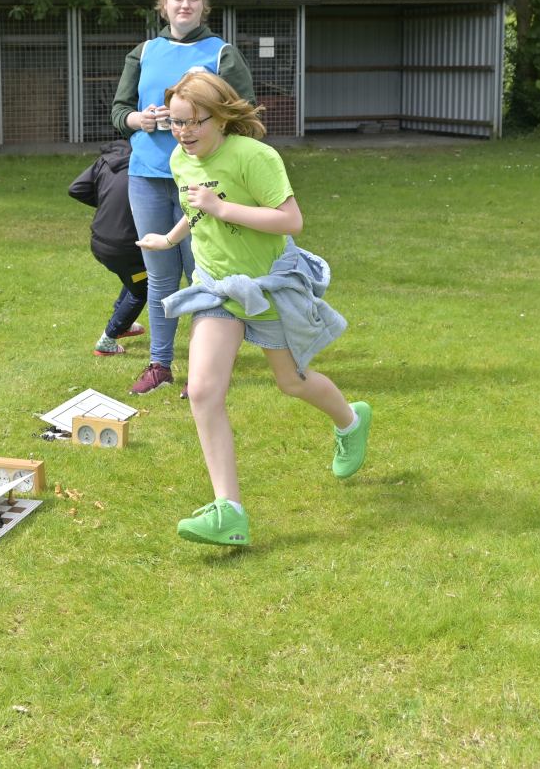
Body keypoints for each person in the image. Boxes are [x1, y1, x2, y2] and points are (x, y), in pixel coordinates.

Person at [137, 70, 371, 547]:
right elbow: (195, 207)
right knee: (203, 391)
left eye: (194, 121)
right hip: (217, 289)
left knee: (291, 382)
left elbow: (290, 220)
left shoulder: (255, 157)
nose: (183, 132)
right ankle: (230, 512)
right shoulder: (181, 159)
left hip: (268, 289)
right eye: (176, 122)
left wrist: (223, 209)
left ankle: (350, 421)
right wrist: (171, 238)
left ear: (221, 117)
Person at [111, 0, 255, 395]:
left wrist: (213, 147)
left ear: (204, 5)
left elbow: (244, 115)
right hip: (147, 177)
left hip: (201, 182)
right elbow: (119, 111)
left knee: (202, 275)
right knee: (159, 276)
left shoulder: (221, 53)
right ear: (163, 3)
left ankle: (203, 372)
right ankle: (159, 365)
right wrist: (138, 119)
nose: (185, 5)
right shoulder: (144, 53)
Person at [68, 139, 148, 356]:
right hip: (124, 248)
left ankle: (123, 322)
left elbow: (76, 188)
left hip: (99, 241)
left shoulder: (107, 159)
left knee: (136, 275)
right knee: (143, 288)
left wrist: (106, 203)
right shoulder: (147, 164)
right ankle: (108, 340)